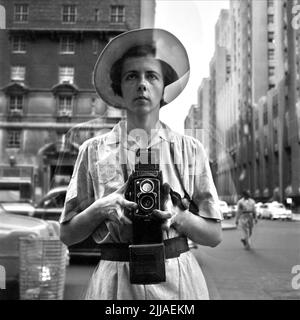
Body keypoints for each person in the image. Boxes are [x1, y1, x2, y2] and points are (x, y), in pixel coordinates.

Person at [59, 28, 223, 300]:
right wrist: (103, 207)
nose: (142, 84)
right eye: (131, 76)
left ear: (163, 89)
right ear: (119, 88)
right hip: (115, 284)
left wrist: (178, 217)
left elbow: (214, 235)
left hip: (178, 283)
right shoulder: (92, 151)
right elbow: (67, 234)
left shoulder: (190, 150)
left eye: (152, 76)